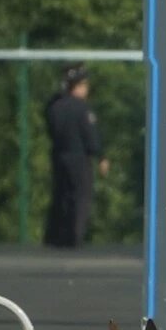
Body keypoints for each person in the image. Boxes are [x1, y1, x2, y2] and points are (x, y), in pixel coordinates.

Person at [43, 64, 108, 248]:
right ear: (78, 86)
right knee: (80, 196)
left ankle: (56, 235)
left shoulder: (54, 106)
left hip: (59, 155)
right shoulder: (81, 108)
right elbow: (90, 135)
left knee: (61, 194)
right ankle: (74, 235)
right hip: (78, 157)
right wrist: (100, 155)